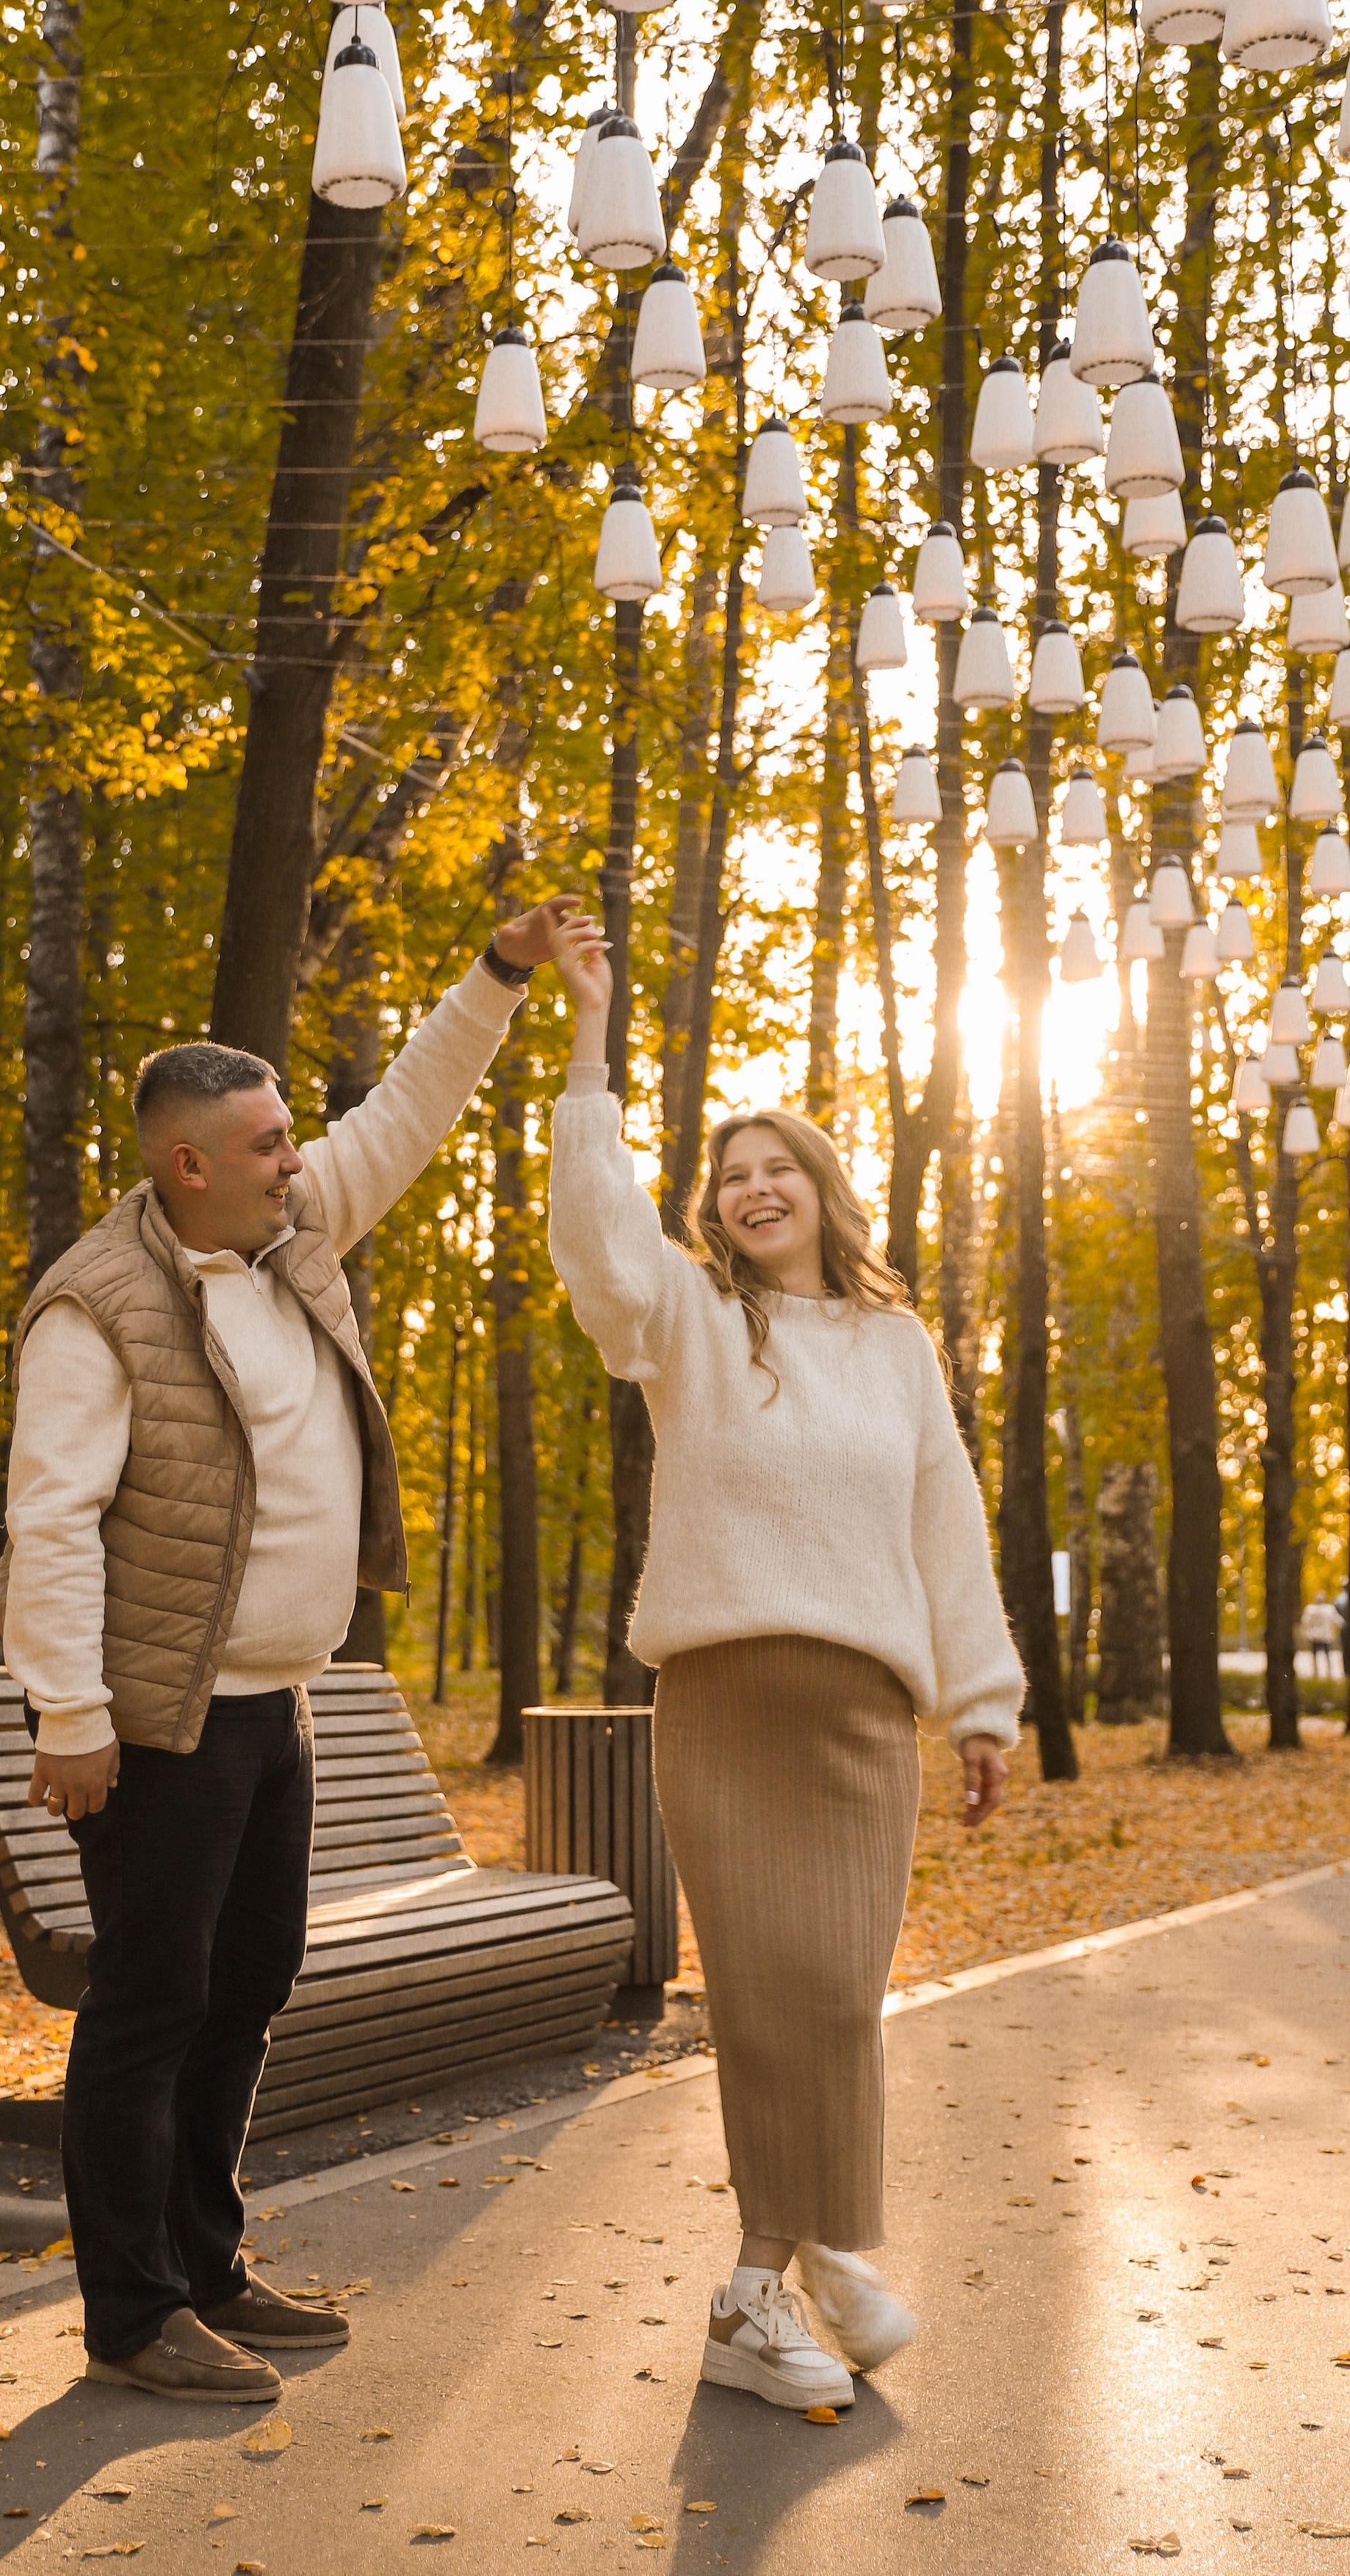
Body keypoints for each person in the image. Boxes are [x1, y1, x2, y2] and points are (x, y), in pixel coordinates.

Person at [0, 899, 577, 2403]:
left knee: (247, 1984)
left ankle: (202, 2263)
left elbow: (407, 1112)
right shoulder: (97, 1310)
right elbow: (48, 1523)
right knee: (150, 2004)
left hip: (276, 1704)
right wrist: (66, 1710)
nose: (295, 1158)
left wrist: (497, 977)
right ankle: (130, 2315)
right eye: (263, 1145)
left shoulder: (291, 1238)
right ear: (188, 1162)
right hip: (159, 1721)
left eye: (287, 1140)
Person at [545, 913, 1022, 2411]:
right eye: (729, 1177)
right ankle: (765, 2285)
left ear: (822, 1191)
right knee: (768, 1989)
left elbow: (945, 1519)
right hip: (729, 1703)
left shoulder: (894, 1345)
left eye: (776, 1169)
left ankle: (816, 2260)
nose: (752, 1190)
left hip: (866, 1713)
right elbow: (595, 1233)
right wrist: (584, 1035)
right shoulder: (681, 1320)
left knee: (838, 1997)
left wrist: (982, 1704)